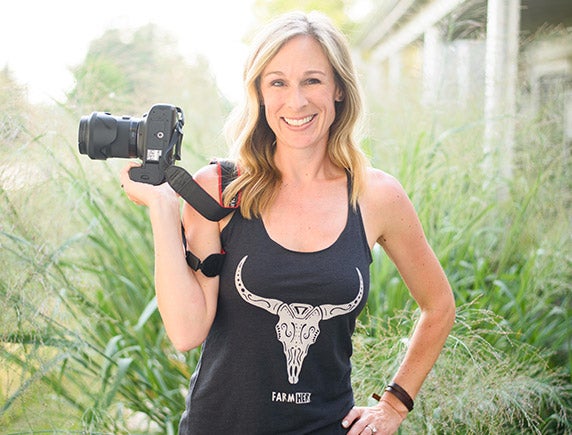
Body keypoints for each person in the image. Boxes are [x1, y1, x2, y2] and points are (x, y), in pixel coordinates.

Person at [120, 10, 455, 435]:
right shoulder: (220, 189)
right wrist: (163, 211)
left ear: (338, 89)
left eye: (312, 80)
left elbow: (439, 306)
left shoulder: (376, 196)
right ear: (259, 93)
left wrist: (394, 404)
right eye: (278, 82)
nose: (296, 101)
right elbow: (186, 331)